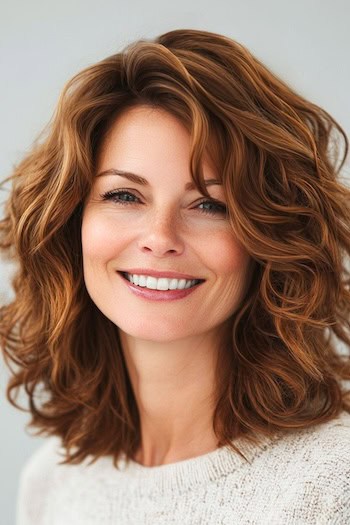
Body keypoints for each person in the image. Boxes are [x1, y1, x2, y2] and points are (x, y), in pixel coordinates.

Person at [0, 28, 350, 525]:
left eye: (209, 204)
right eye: (124, 196)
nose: (160, 237)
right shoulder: (54, 484)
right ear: (69, 221)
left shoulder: (334, 484)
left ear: (269, 240)